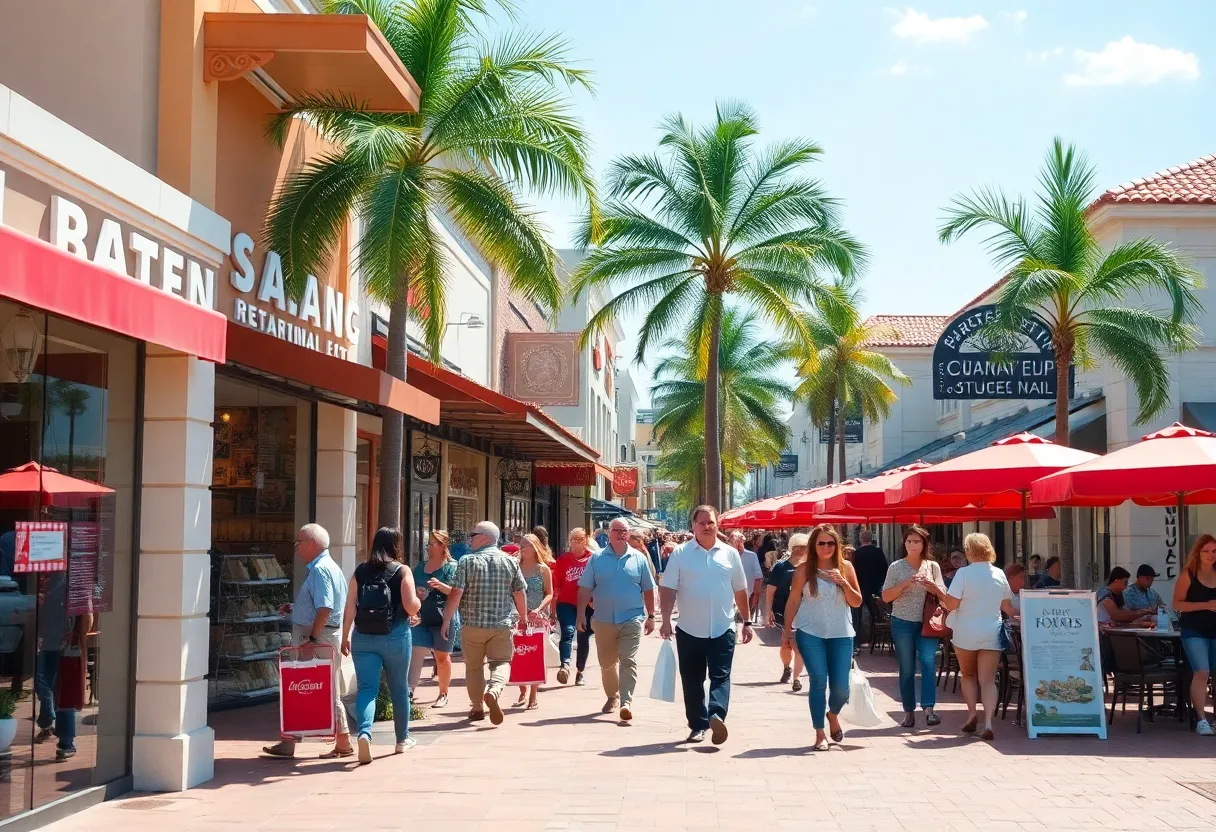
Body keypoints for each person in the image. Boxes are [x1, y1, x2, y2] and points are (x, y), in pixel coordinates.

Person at [660, 505, 752, 745]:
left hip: (723, 627)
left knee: (721, 676)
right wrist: (666, 619)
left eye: (710, 522)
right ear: (693, 526)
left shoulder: (730, 554)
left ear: (717, 525)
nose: (706, 526)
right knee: (692, 679)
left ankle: (716, 715)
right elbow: (668, 588)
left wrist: (748, 621)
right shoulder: (680, 554)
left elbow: (740, 589)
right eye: (701, 522)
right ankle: (698, 725)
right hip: (689, 629)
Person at [264, 524, 352, 759]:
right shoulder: (327, 567)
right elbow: (322, 606)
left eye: (299, 541)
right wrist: (295, 609)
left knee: (319, 689)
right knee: (302, 688)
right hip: (320, 635)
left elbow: (326, 607)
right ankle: (290, 741)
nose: (296, 546)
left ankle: (342, 741)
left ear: (312, 544)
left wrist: (312, 638)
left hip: (317, 638)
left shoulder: (321, 570)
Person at [340, 527, 420, 763]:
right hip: (396, 635)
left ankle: (364, 733)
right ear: (396, 544)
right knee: (399, 689)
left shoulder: (360, 570)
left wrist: (345, 636)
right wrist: (419, 599)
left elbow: (350, 607)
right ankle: (402, 740)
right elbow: (411, 607)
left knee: (366, 689)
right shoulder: (402, 570)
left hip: (363, 637)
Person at [784, 524, 863, 751]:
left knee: (841, 688)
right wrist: (787, 631)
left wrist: (843, 582)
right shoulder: (802, 570)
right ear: (813, 545)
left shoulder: (845, 567)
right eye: (821, 543)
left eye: (831, 543)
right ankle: (819, 733)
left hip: (841, 634)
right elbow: (793, 601)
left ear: (836, 545)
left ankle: (833, 714)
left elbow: (857, 601)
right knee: (818, 681)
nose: (826, 547)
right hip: (810, 632)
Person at [441, 520, 527, 725]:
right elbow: (519, 592)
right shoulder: (510, 561)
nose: (470, 540)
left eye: (473, 535)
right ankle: (494, 690)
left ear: (483, 537)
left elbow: (456, 593)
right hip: (501, 624)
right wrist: (523, 618)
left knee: (473, 667)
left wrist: (447, 619)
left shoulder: (466, 561)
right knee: (502, 662)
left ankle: (477, 707)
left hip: (472, 625)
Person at [937, 533, 1014, 742]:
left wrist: (940, 594)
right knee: (988, 680)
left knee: (968, 675)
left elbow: (951, 604)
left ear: (969, 551)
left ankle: (972, 713)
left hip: (966, 631)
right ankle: (988, 722)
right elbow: (1007, 607)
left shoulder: (963, 574)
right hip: (991, 630)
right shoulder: (999, 574)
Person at [579, 518, 657, 722]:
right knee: (606, 663)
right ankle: (612, 696)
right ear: (609, 533)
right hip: (603, 619)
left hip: (631, 617)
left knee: (628, 659)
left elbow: (648, 588)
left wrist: (651, 616)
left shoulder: (638, 558)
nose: (622, 534)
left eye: (625, 531)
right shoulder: (596, 559)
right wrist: (580, 614)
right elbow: (585, 588)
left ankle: (626, 702)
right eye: (617, 530)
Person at [881, 524, 947, 729]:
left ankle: (929, 709)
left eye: (916, 541)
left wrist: (932, 586)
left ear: (924, 543)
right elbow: (885, 597)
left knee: (927, 662)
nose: (912, 545)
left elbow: (944, 597)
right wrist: (905, 584)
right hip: (902, 621)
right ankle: (909, 711)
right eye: (909, 541)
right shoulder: (896, 567)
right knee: (907, 667)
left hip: (927, 622)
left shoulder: (932, 566)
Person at [33, 573, 81, 761]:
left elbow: (84, 613)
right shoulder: (50, 585)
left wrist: (74, 635)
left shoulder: (66, 584)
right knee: (43, 682)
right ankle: (48, 722)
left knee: (61, 691)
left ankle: (66, 741)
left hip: (61, 644)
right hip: (48, 643)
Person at [1173, 534, 1216, 735]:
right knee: (1202, 672)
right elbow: (1177, 604)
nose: (1210, 555)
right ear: (1198, 552)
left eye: (1214, 551)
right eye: (1206, 551)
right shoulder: (1188, 574)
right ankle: (1201, 720)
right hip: (1194, 630)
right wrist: (1205, 606)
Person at [410, 530, 458, 708]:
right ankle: (410, 691)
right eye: (428, 544)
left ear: (442, 546)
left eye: (432, 544)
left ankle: (443, 693)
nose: (428, 547)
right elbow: (412, 588)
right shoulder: (420, 566)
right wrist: (417, 594)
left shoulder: (451, 567)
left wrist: (440, 586)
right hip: (421, 618)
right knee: (416, 654)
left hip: (443, 618)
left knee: (442, 658)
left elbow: (456, 592)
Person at [512, 533, 554, 710]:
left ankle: (533, 695)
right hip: (515, 617)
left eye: (527, 545)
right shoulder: (514, 567)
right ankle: (522, 688)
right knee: (517, 655)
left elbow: (549, 593)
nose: (522, 548)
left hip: (537, 617)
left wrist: (539, 609)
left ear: (535, 547)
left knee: (535, 657)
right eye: (521, 545)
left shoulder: (542, 569)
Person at [552, 528, 595, 686]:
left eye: (579, 539)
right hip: (566, 602)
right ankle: (565, 665)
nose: (576, 542)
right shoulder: (563, 560)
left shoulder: (593, 559)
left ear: (586, 540)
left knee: (583, 637)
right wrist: (552, 605)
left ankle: (580, 672)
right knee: (568, 632)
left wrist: (594, 598)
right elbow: (558, 584)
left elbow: (597, 581)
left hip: (587, 605)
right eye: (573, 540)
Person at [766, 533, 807, 691]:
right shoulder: (781, 567)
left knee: (799, 647)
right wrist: (768, 611)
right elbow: (770, 591)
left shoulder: (810, 568)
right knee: (786, 644)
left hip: (806, 612)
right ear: (791, 547)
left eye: (803, 547)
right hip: (784, 611)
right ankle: (787, 667)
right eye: (797, 547)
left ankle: (796, 678)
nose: (800, 550)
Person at [730, 532, 764, 625]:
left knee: (745, 622)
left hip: (747, 596)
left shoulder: (752, 556)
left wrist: (756, 596)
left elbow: (758, 577)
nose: (736, 544)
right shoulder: (726, 555)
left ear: (743, 542)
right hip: (729, 596)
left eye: (738, 541)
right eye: (733, 541)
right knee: (732, 623)